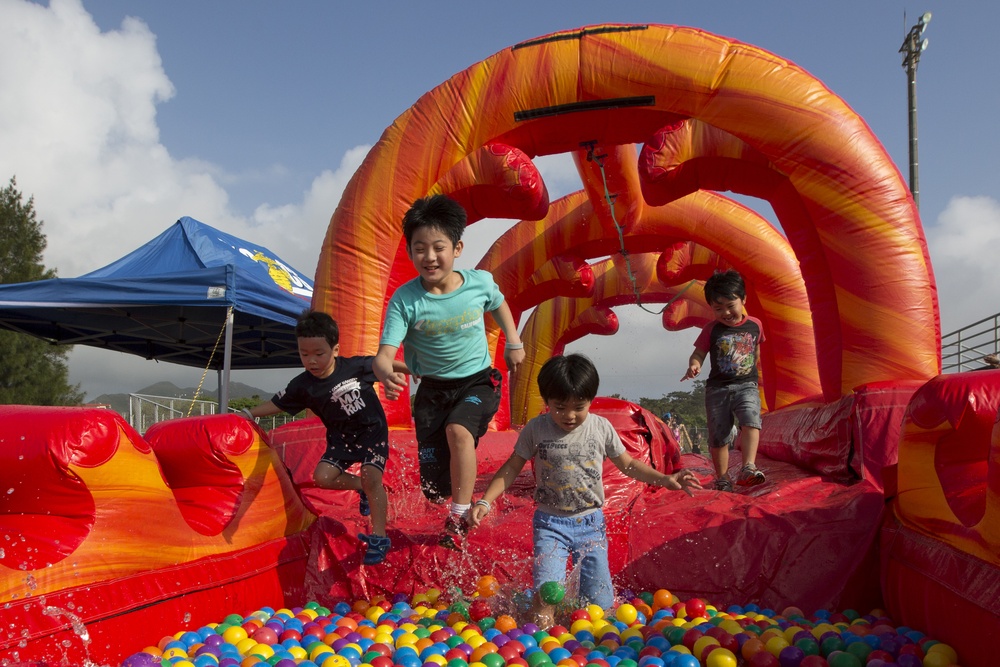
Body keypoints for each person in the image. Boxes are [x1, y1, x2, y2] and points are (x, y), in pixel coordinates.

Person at [469, 354, 701, 627]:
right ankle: (542, 640)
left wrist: (665, 479)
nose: (569, 415)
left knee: (600, 605)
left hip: (591, 524)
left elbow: (628, 465)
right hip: (550, 524)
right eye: (559, 407)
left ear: (591, 400)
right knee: (548, 593)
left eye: (579, 407)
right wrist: (485, 501)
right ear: (547, 401)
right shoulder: (537, 429)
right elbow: (511, 468)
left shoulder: (600, 428)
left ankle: (594, 641)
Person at [373, 194, 525, 550]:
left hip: (477, 381)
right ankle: (452, 501)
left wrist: (514, 342)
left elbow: (499, 303)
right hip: (432, 392)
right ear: (410, 252)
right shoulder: (405, 300)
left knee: (459, 431)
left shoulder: (478, 283)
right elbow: (382, 355)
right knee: (434, 489)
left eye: (438, 247)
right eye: (419, 248)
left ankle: (459, 517)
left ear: (457, 248)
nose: (429, 257)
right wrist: (384, 371)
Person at [243, 310, 408, 565]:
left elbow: (383, 364)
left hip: (372, 432)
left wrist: (414, 369)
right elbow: (278, 403)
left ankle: (379, 536)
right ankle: (361, 488)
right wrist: (248, 414)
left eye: (319, 354)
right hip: (341, 439)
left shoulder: (354, 366)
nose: (312, 361)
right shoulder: (303, 385)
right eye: (304, 354)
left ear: (335, 349)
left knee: (371, 475)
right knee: (322, 477)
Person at [681, 269, 766, 492]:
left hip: (747, 384)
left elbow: (756, 351)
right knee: (719, 434)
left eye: (731, 305)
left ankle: (748, 466)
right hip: (718, 389)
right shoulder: (711, 329)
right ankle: (723, 477)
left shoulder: (755, 325)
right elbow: (698, 353)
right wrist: (694, 364)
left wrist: (756, 375)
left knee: (750, 420)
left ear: (743, 300)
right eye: (718, 309)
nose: (726, 312)